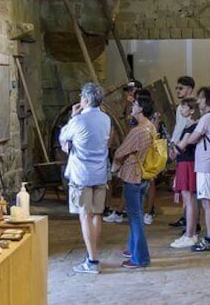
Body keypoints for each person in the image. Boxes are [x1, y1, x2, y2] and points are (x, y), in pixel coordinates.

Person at [59, 83, 112, 275]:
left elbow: (63, 136)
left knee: (85, 215)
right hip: (99, 173)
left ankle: (92, 260)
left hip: (81, 174)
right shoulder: (106, 119)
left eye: (81, 96)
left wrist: (73, 116)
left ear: (86, 100)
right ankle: (93, 253)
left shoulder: (79, 120)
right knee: (97, 214)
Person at [111, 89, 156, 269]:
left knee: (135, 218)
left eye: (135, 105)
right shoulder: (150, 126)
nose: (132, 106)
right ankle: (132, 248)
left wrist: (114, 166)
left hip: (133, 175)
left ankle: (140, 258)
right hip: (144, 175)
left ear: (141, 109)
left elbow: (121, 151)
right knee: (136, 215)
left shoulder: (138, 131)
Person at [180, 86, 210, 252]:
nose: (198, 101)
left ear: (206, 99)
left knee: (207, 203)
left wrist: (187, 134)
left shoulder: (207, 118)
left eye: (200, 98)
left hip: (206, 164)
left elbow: (192, 139)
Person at [104, 79, 142, 224]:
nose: (128, 93)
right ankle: (123, 210)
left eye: (131, 90)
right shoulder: (129, 106)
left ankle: (121, 211)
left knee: (131, 182)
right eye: (127, 90)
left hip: (134, 149)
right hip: (131, 146)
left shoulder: (138, 108)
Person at [169, 97, 200, 248]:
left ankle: (190, 234)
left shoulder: (191, 127)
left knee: (189, 201)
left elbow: (180, 147)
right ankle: (190, 233)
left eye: (184, 107)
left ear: (192, 110)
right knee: (189, 201)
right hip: (185, 163)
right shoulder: (190, 126)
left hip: (187, 164)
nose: (181, 110)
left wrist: (172, 145)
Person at [169, 76, 195, 228]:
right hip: (182, 147)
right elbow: (178, 127)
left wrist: (174, 146)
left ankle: (191, 221)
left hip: (186, 150)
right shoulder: (182, 107)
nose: (178, 91)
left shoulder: (189, 108)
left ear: (190, 89)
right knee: (186, 187)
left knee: (188, 188)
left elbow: (182, 128)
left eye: (181, 88)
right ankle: (187, 217)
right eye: (177, 88)